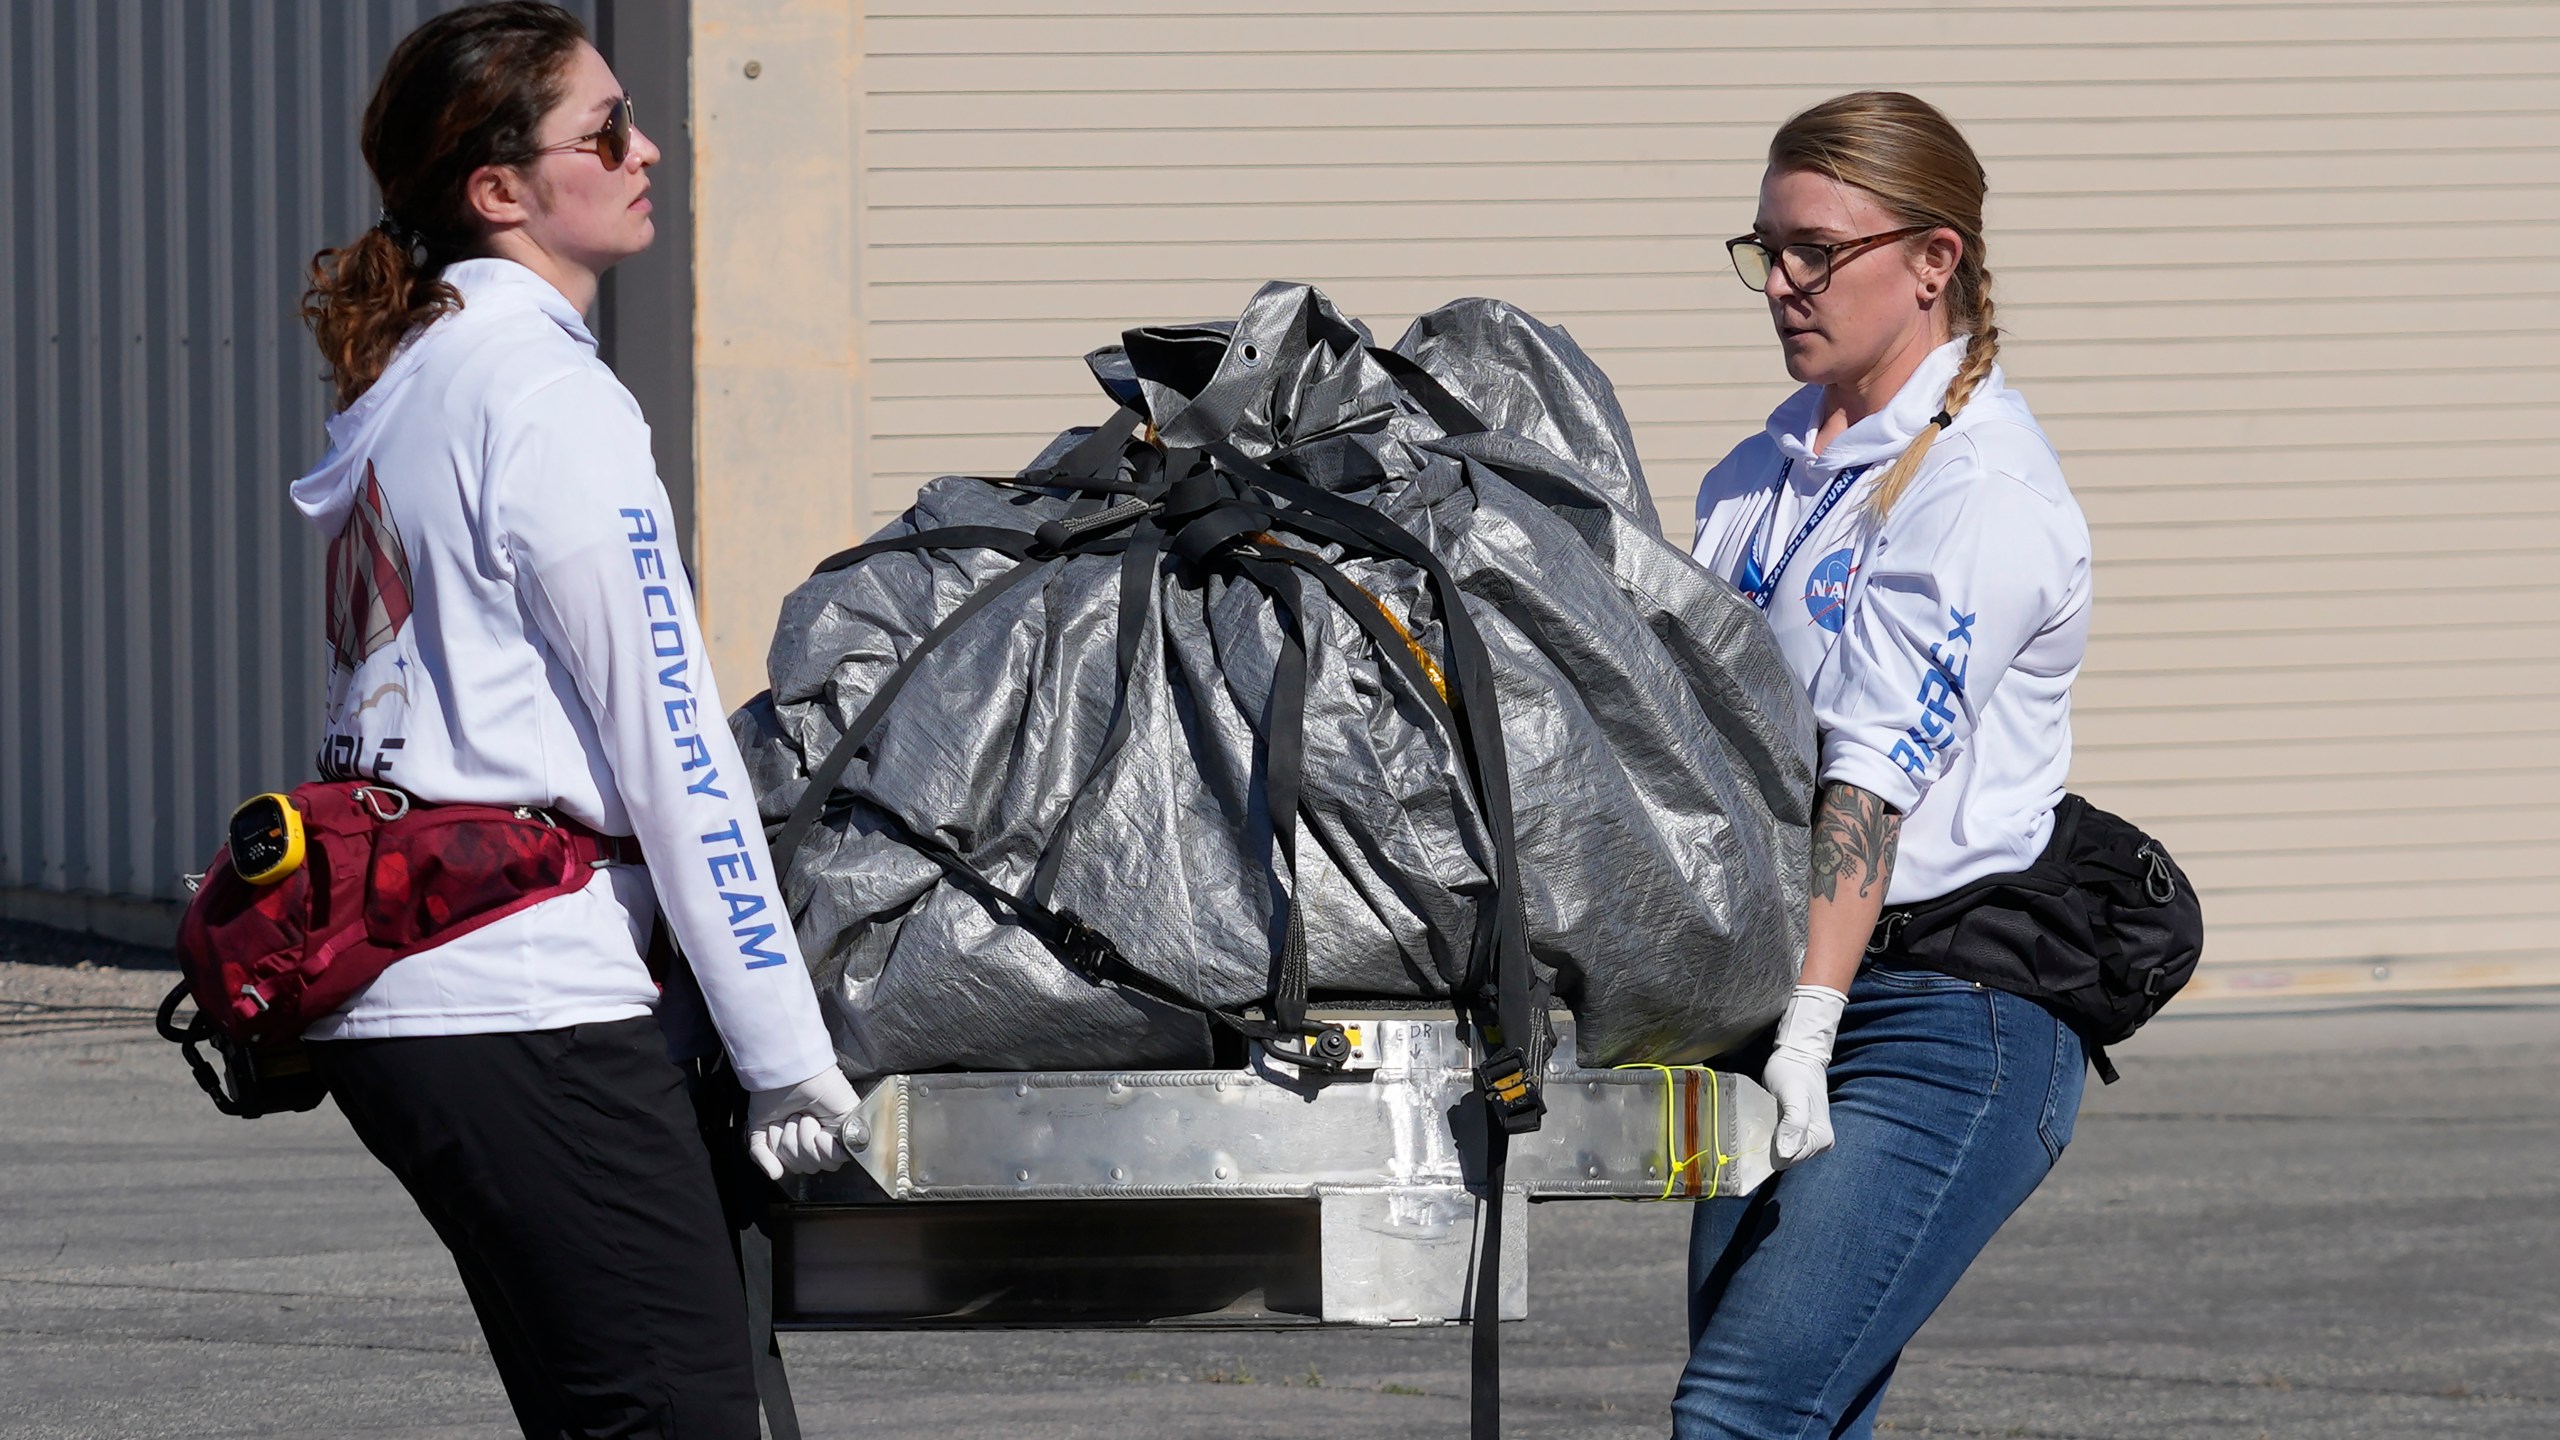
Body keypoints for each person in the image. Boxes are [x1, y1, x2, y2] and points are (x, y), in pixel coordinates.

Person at [291, 6, 854, 1435]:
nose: (646, 147)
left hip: (414, 993)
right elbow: (673, 743)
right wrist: (784, 1048)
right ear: (500, 191)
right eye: (605, 132)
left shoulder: (415, 380)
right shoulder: (548, 396)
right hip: (524, 1001)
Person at [1676, 91, 2094, 1438]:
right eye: (1765, 250)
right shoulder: (1757, 475)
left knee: (1740, 1416)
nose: (1782, 284)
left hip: (1944, 1015)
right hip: (1782, 991)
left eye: (1816, 250)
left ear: (1934, 261)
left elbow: (1870, 776)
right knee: (1803, 1418)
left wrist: (1809, 1024)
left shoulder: (1982, 493)